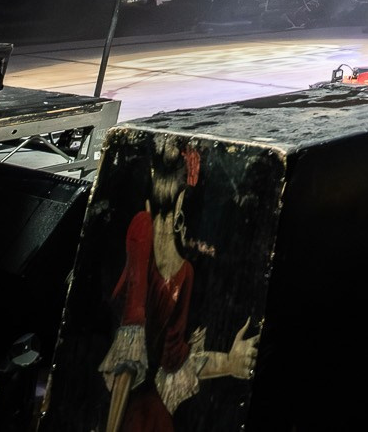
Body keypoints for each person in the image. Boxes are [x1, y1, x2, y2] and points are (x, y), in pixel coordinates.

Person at [97, 141, 259, 431]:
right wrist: (229, 362)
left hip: (131, 412)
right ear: (182, 204)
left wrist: (230, 363)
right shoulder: (180, 268)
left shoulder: (146, 232)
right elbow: (160, 358)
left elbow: (147, 362)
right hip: (146, 413)